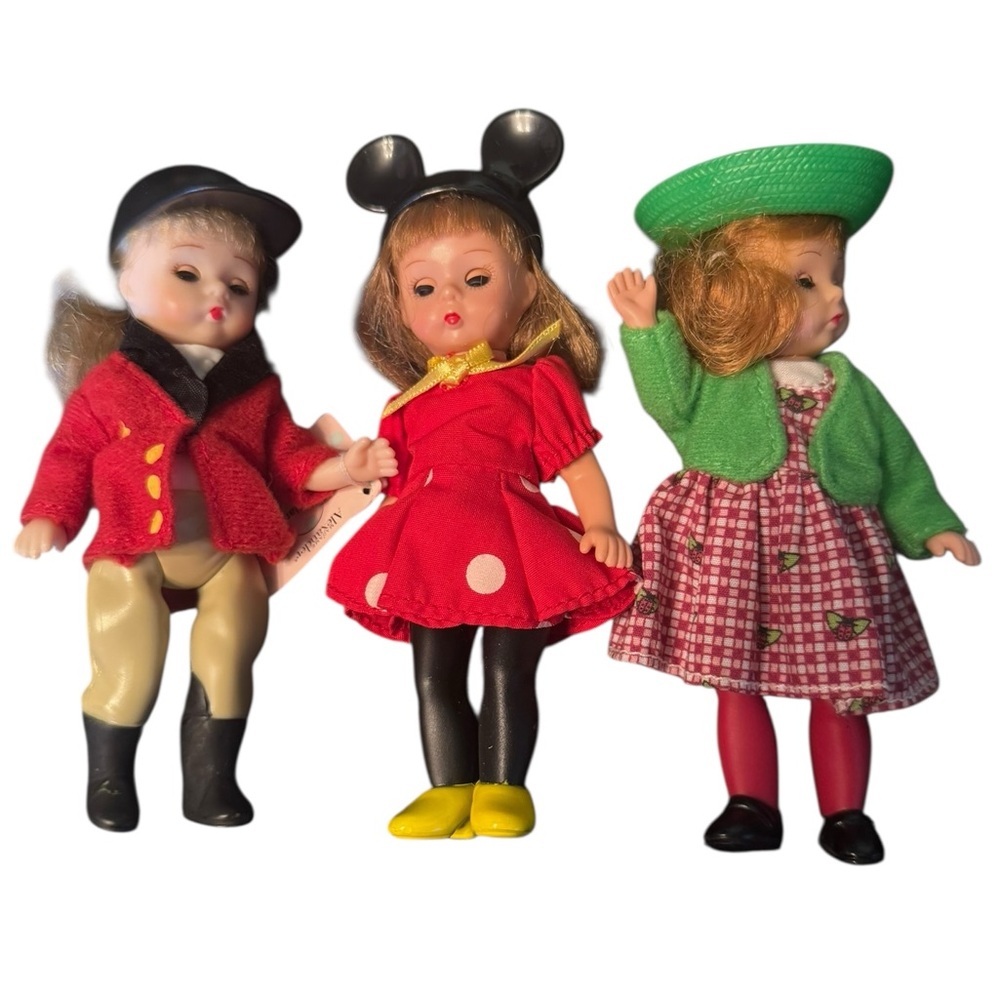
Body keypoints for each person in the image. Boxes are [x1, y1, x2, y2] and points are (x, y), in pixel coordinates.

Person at [607, 143, 980, 864]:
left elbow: (896, 461)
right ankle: (752, 803)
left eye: (835, 277)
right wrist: (647, 330)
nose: (835, 297)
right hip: (733, 553)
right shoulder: (714, 386)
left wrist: (931, 525)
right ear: (729, 297)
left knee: (842, 688)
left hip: (833, 555)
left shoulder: (847, 384)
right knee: (733, 681)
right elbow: (666, 400)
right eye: (807, 281)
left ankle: (845, 812)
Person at [16, 165, 395, 831]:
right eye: (186, 273)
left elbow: (287, 457)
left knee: (230, 652)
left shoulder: (255, 388)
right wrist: (50, 514)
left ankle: (211, 777)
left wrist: (345, 467)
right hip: (136, 548)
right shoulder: (113, 383)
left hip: (228, 548)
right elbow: (70, 452)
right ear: (129, 281)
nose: (217, 293)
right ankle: (109, 776)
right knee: (128, 658)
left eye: (238, 284)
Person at [327, 110, 634, 838]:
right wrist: (365, 465)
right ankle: (447, 787)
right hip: (427, 546)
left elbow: (576, 465)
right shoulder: (406, 403)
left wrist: (599, 524)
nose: (450, 300)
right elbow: (393, 483)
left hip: (513, 540)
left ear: (526, 288)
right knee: (432, 672)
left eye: (475, 278)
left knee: (507, 666)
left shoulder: (534, 381)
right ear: (398, 305)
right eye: (423, 288)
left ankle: (503, 786)